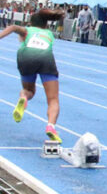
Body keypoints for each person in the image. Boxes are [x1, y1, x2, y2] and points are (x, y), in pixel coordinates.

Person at [0, 10, 65, 142]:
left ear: (30, 23)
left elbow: (13, 27)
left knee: (29, 90)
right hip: (46, 58)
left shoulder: (27, 30)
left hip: (25, 57)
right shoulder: (49, 34)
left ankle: (23, 97)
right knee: (53, 99)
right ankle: (51, 126)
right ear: (46, 24)